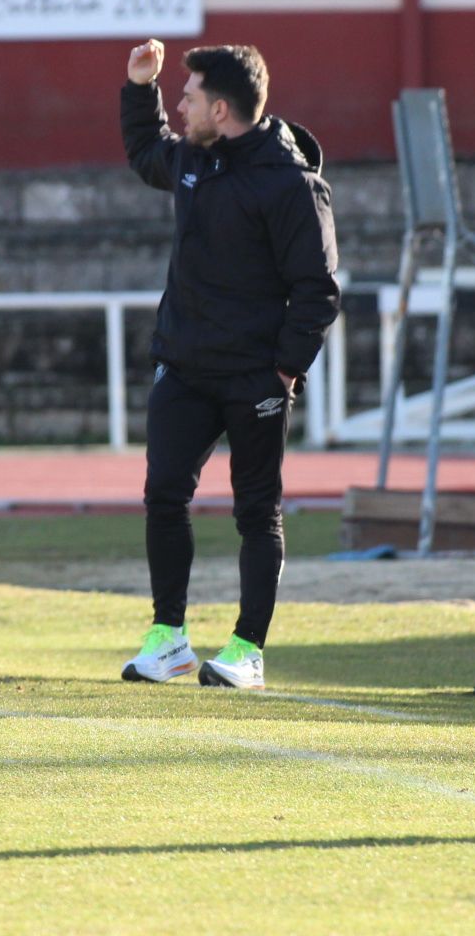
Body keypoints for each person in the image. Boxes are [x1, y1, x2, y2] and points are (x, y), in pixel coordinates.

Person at [118, 38, 338, 691]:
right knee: (164, 497)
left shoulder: (292, 184)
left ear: (220, 108)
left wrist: (283, 371)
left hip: (254, 378)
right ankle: (169, 639)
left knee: (256, 512)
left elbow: (318, 291)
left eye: (187, 95)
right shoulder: (190, 158)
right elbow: (142, 152)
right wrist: (139, 88)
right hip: (184, 366)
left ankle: (247, 651)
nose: (179, 104)